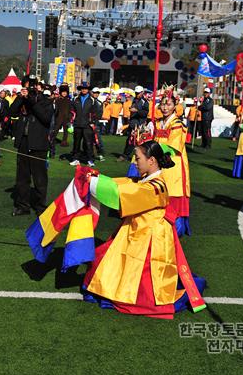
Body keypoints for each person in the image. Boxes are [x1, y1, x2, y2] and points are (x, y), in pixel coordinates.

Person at [82, 140, 206, 318]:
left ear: (152, 160)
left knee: (144, 280)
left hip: (149, 237)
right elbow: (125, 184)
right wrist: (97, 179)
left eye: (137, 158)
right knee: (106, 255)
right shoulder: (150, 180)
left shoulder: (156, 186)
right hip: (138, 231)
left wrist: (93, 184)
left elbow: (125, 195)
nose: (134, 162)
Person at [10, 77, 53, 216]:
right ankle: (23, 206)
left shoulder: (45, 101)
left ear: (38, 87)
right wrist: (20, 98)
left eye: (32, 87)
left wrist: (31, 101)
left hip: (39, 144)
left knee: (40, 178)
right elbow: (11, 112)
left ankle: (41, 207)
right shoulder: (22, 100)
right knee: (22, 177)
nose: (29, 90)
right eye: (26, 87)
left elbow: (46, 119)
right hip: (23, 142)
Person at [154, 90, 192, 236]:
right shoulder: (159, 122)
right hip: (158, 161)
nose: (164, 107)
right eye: (163, 104)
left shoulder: (177, 124)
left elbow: (172, 146)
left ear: (175, 106)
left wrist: (153, 149)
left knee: (172, 192)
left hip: (172, 163)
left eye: (168, 104)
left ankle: (175, 228)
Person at [69, 83, 96, 167]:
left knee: (88, 143)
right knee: (76, 143)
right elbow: (72, 112)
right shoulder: (75, 99)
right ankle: (75, 159)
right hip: (77, 124)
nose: (84, 90)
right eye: (82, 88)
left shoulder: (92, 99)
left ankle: (90, 160)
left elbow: (95, 113)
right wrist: (71, 121)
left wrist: (92, 122)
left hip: (88, 125)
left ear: (88, 89)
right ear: (80, 89)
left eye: (86, 88)